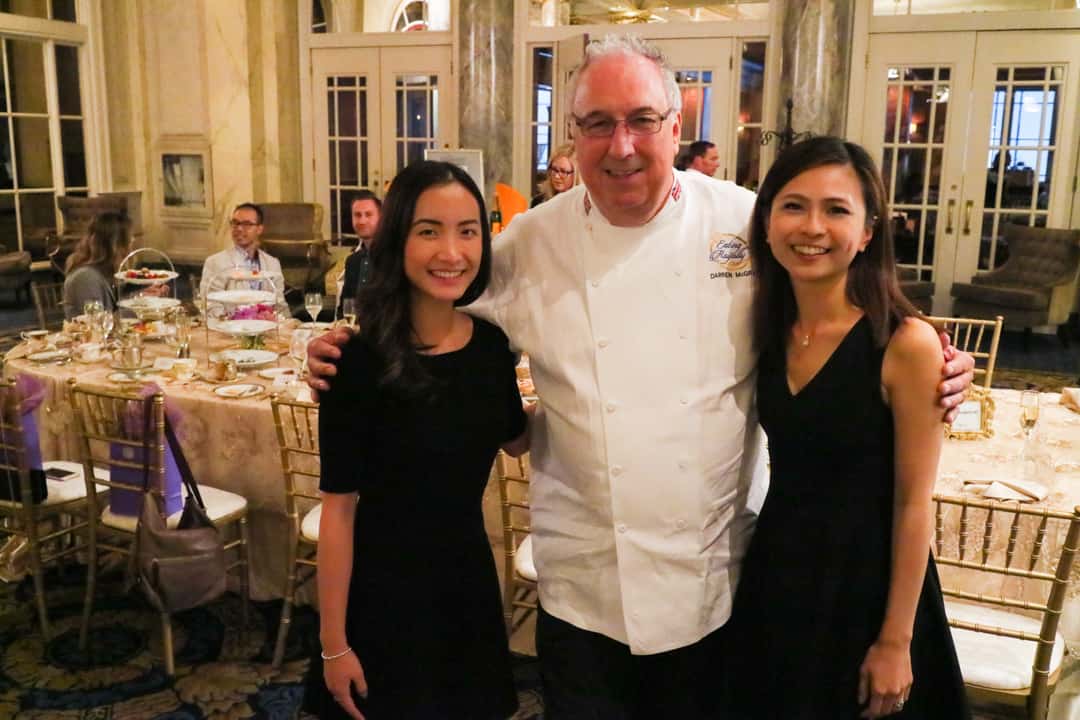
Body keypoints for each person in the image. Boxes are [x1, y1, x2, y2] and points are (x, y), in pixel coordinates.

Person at [307, 35, 975, 718]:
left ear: (676, 128)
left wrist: (932, 351)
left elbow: (838, 285)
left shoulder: (747, 221)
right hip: (582, 580)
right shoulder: (529, 243)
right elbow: (435, 291)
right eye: (598, 123)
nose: (620, 145)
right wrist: (346, 348)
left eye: (641, 121)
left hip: (710, 579)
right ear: (571, 136)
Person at [726, 137, 970, 719]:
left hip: (867, 585)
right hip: (781, 571)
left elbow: (915, 505)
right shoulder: (766, 326)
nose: (812, 227)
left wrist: (895, 640)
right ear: (765, 223)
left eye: (836, 210)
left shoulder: (903, 343)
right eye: (793, 205)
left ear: (866, 232)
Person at [304, 160, 532, 720]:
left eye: (468, 231)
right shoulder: (354, 361)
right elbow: (337, 513)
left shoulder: (491, 349)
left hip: (464, 585)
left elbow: (518, 439)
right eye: (428, 231)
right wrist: (334, 644)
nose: (451, 252)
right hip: (381, 594)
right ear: (397, 239)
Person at [199, 203, 286, 308]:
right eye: (235, 223)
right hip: (229, 323)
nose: (239, 228)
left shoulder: (272, 264)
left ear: (259, 229)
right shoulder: (215, 262)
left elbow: (280, 305)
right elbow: (210, 305)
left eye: (247, 224)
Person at [63, 211, 131, 318]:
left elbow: (113, 310)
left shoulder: (100, 273)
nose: (129, 250)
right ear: (114, 247)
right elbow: (97, 323)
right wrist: (138, 310)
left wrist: (141, 297)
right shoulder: (85, 278)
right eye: (127, 243)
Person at [334, 191, 381, 317]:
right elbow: (344, 308)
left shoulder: (395, 258)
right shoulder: (353, 261)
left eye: (368, 214)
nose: (362, 221)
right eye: (357, 215)